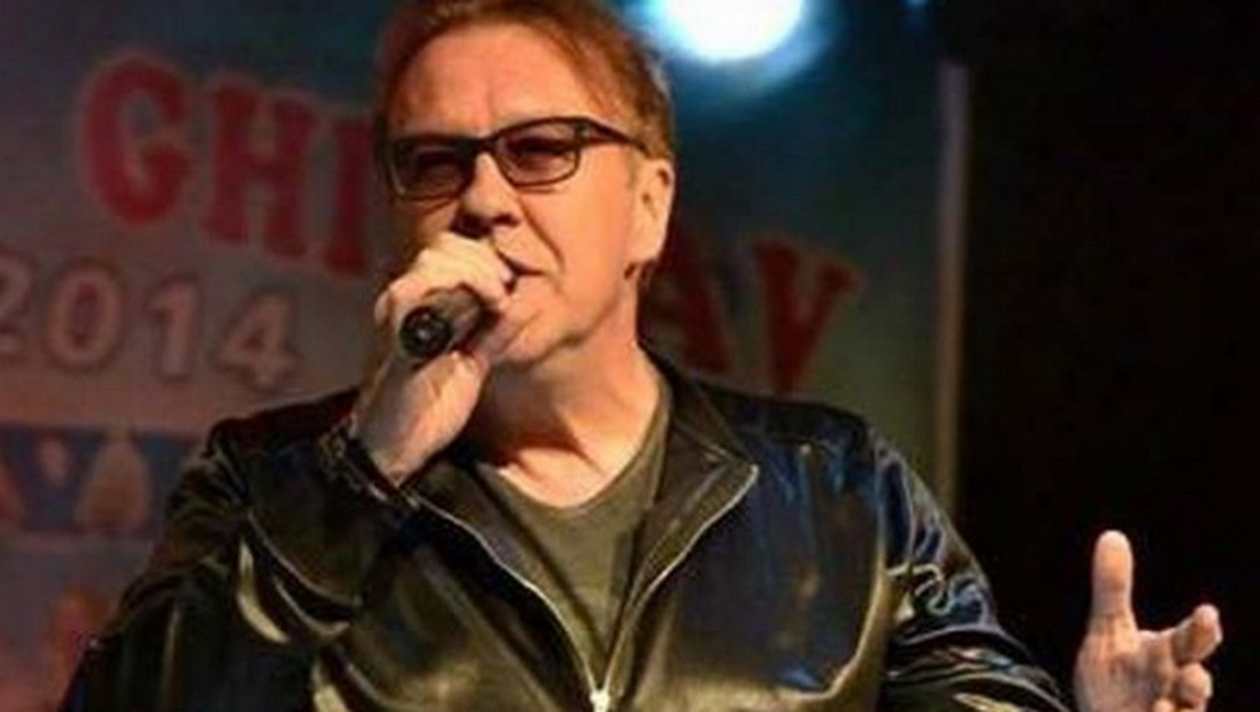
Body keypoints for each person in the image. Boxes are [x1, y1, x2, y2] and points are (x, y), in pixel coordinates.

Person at [61, 1, 1222, 710]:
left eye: (540, 150)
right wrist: (361, 477)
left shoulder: (839, 492)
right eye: (436, 162)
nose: (483, 199)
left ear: (649, 206)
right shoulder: (272, 483)